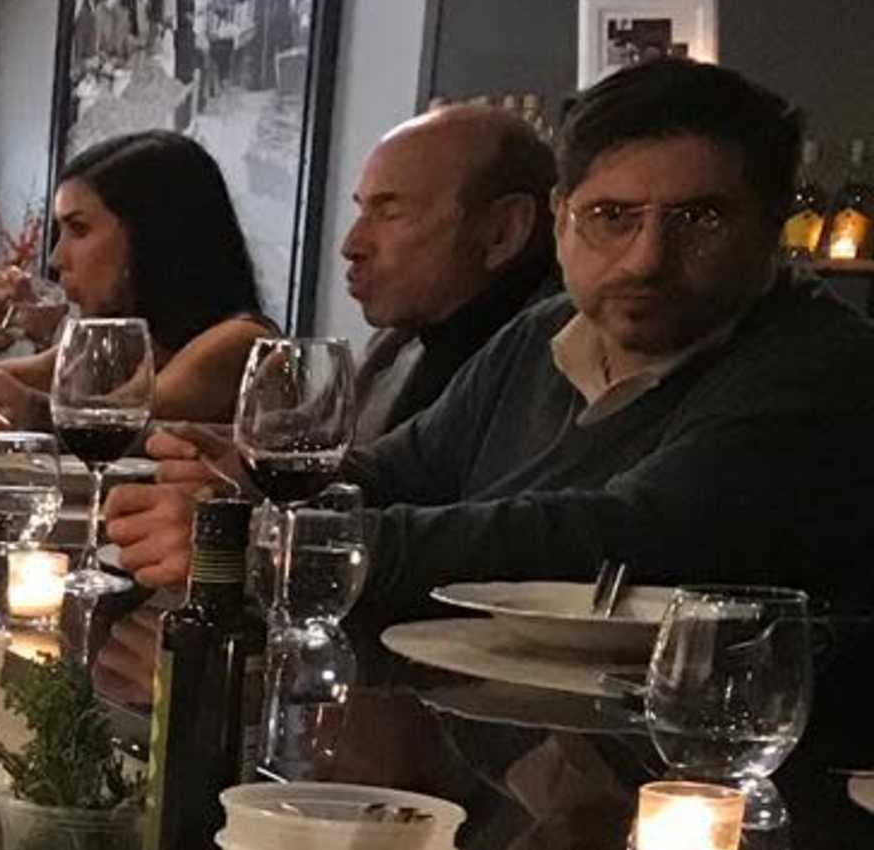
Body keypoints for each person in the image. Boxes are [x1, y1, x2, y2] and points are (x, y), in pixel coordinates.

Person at [109, 58, 874, 613]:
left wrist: (281, 547)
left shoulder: (819, 365)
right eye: (613, 217)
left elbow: (623, 536)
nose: (647, 258)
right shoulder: (547, 330)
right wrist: (249, 479)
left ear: (773, 229)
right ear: (561, 215)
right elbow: (401, 471)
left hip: (705, 786)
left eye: (699, 219)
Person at [0, 126, 272, 436]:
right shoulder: (116, 343)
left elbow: (112, 426)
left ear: (152, 237)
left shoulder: (239, 340)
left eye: (78, 229)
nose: (56, 258)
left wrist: (28, 410)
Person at [332, 102, 559, 443]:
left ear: (502, 231)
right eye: (362, 210)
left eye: (390, 213)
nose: (351, 246)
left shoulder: (552, 377)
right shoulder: (396, 347)